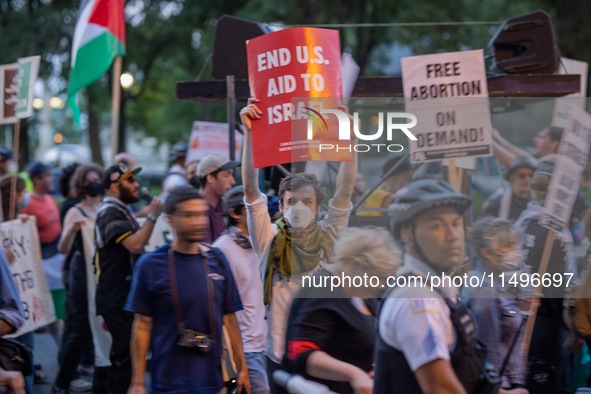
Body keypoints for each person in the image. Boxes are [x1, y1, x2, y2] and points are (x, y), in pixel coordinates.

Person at [239, 98, 357, 392]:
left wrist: (350, 139)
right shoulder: (269, 239)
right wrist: (250, 134)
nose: (300, 207)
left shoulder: (329, 236)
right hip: (278, 353)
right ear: (280, 205)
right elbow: (251, 189)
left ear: (318, 209)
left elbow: (344, 191)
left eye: (307, 202)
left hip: (322, 354)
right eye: (293, 201)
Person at [373, 178, 526, 394]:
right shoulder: (416, 298)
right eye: (437, 225)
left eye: (455, 223)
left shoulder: (439, 287)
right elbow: (441, 388)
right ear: (406, 234)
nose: (453, 235)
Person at [126, 186, 251, 394]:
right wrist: (137, 383)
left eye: (202, 214)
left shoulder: (218, 259)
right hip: (168, 382)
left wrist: (242, 367)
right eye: (189, 215)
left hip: (214, 381)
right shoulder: (150, 265)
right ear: (170, 219)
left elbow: (229, 318)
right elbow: (141, 326)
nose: (200, 221)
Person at [282, 227, 401, 394]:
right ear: (354, 264)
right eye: (378, 278)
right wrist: (355, 374)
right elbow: (300, 351)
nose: (382, 286)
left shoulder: (360, 292)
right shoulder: (323, 288)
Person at [94, 163, 163, 394]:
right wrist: (153, 215)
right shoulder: (110, 212)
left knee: (125, 356)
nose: (136, 185)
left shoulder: (119, 209)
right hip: (116, 297)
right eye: (130, 180)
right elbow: (135, 244)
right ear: (114, 186)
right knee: (124, 358)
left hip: (119, 295)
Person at [515, 165, 577, 394]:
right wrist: (571, 327)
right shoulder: (555, 232)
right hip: (549, 325)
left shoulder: (523, 223)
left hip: (523, 320)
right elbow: (562, 284)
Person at [53, 164, 104, 394]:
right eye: (88, 180)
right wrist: (72, 230)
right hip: (81, 272)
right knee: (79, 325)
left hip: (102, 272)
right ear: (81, 184)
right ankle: (62, 382)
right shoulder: (76, 211)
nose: (93, 183)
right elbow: (62, 247)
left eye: (97, 179)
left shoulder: (106, 208)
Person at [213, 186, 268, 394]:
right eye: (253, 209)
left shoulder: (263, 243)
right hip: (245, 348)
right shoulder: (221, 249)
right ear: (236, 213)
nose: (261, 213)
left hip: (267, 345)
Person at [464, 217, 526, 389]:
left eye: (514, 244)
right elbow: (489, 352)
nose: (515, 251)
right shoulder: (485, 290)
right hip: (502, 385)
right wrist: (500, 389)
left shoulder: (500, 284)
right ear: (487, 252)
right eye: (507, 245)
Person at [21, 162, 64, 348]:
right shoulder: (28, 203)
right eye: (48, 175)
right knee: (50, 309)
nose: (53, 177)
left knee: (58, 309)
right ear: (36, 179)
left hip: (57, 261)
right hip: (43, 265)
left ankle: (64, 352)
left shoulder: (48, 198)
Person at [197, 154, 240, 244]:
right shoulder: (196, 210)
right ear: (211, 178)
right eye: (227, 175)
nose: (233, 182)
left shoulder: (222, 205)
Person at [482, 156, 535, 222]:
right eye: (522, 176)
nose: (527, 179)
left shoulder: (538, 202)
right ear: (511, 177)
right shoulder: (497, 203)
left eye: (531, 175)